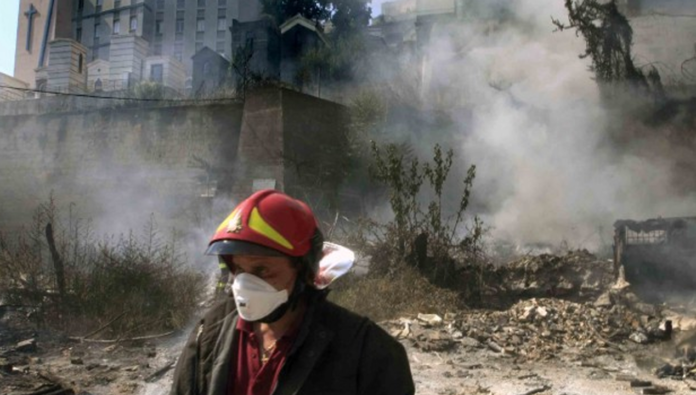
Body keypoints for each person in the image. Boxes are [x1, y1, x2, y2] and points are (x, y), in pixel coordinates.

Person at [170, 189, 415, 395]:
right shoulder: (209, 335)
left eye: (262, 270)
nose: (245, 284)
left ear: (305, 271)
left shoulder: (366, 351)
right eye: (239, 269)